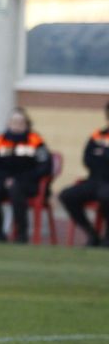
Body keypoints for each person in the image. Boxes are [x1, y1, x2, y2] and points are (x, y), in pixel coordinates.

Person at [0, 108, 51, 244]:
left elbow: (45, 166)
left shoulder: (35, 140)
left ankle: (21, 234)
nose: (17, 125)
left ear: (26, 124)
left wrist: (20, 179)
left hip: (29, 182)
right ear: (8, 123)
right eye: (14, 122)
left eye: (21, 122)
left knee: (15, 189)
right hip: (5, 181)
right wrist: (5, 179)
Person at [59, 102, 109, 247]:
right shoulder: (97, 136)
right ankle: (92, 234)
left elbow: (98, 157)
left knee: (106, 196)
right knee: (67, 195)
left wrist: (103, 154)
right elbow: (87, 159)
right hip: (95, 180)